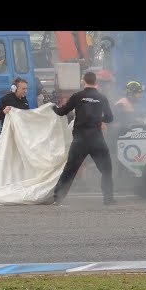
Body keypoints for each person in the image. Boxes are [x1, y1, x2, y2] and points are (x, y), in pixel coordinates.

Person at [51, 71, 115, 206]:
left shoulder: (78, 96)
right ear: (96, 82)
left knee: (70, 169)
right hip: (96, 138)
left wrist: (52, 107)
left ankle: (58, 198)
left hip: (80, 139)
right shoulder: (102, 97)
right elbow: (110, 118)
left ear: (83, 81)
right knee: (106, 169)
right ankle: (108, 199)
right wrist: (98, 119)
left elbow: (62, 112)